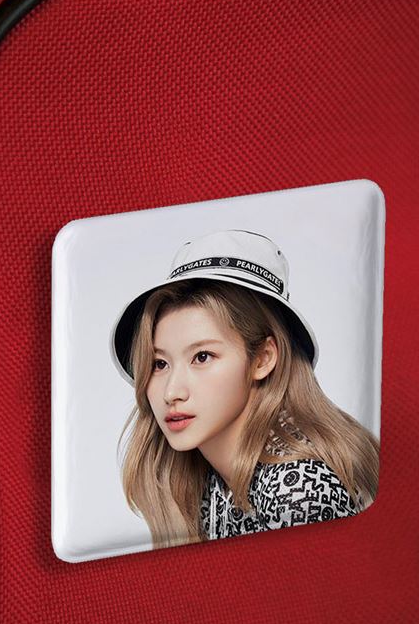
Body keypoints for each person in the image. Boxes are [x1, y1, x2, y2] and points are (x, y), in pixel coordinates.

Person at [111, 229, 379, 548]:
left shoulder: (297, 492)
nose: (172, 392)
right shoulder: (203, 482)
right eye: (159, 363)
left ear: (262, 359)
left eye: (202, 357)